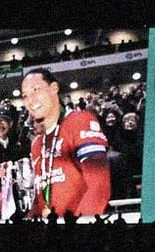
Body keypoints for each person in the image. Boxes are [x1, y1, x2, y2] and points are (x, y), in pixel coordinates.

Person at [18, 68, 111, 219]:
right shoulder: (37, 144)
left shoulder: (80, 121)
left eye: (36, 90)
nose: (30, 99)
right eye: (25, 95)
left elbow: (99, 187)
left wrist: (76, 230)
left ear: (54, 88)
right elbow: (41, 198)